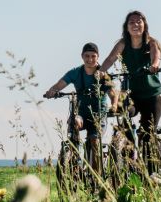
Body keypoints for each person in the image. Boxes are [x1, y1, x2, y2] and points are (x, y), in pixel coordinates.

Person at [100, 10, 161, 176]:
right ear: (126, 27)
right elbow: (109, 59)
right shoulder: (123, 44)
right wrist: (100, 72)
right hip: (132, 93)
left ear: (144, 25)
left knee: (147, 134)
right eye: (131, 22)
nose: (135, 25)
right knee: (123, 113)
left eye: (139, 21)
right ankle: (127, 154)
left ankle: (154, 174)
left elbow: (156, 56)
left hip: (152, 96)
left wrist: (154, 65)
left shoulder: (151, 43)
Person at [43, 42, 118, 176]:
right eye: (87, 56)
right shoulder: (75, 72)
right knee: (73, 124)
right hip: (82, 113)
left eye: (93, 56)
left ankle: (96, 177)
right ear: (82, 56)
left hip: (98, 114)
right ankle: (73, 160)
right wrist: (52, 91)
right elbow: (60, 84)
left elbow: (113, 93)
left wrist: (114, 105)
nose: (90, 59)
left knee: (94, 142)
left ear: (98, 57)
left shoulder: (103, 75)